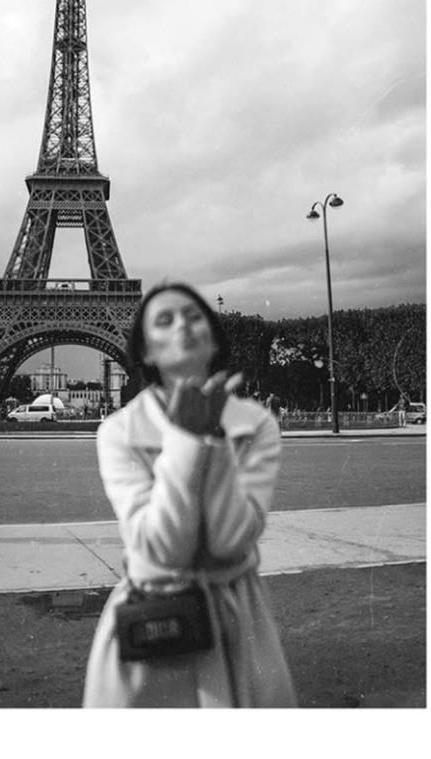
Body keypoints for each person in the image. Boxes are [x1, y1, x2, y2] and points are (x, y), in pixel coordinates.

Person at [83, 282, 296, 708]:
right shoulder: (117, 431)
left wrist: (206, 439)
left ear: (213, 337)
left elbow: (231, 541)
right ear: (146, 352)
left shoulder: (258, 424)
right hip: (155, 620)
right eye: (165, 319)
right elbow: (165, 549)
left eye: (194, 315)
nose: (183, 323)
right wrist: (187, 439)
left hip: (233, 621)